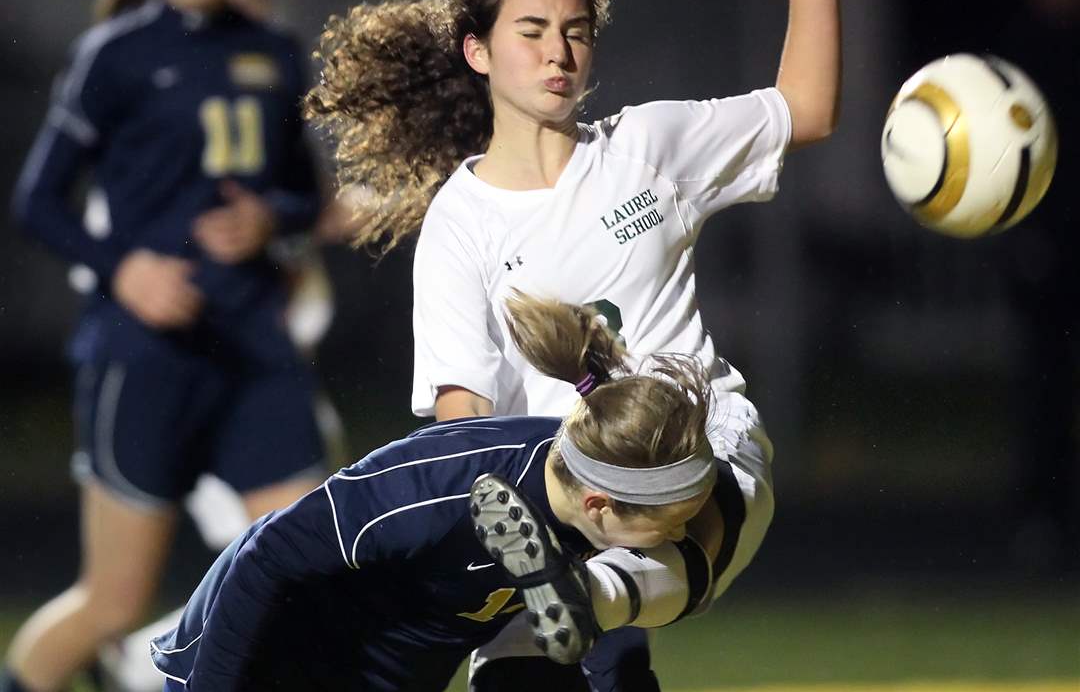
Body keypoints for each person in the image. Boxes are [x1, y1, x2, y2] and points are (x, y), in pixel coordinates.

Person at [304, 0, 840, 688]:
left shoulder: (649, 150)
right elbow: (463, 430)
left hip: (694, 445)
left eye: (575, 32)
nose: (557, 52)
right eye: (531, 32)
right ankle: (575, 594)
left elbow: (806, 109)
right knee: (529, 664)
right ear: (478, 52)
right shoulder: (461, 225)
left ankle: (591, 593)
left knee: (679, 506)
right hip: (556, 505)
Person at [150, 293, 772, 691]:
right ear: (599, 506)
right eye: (668, 518)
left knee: (683, 567)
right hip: (261, 656)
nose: (677, 528)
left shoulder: (589, 497)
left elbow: (610, 632)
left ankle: (595, 598)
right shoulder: (438, 488)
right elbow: (265, 561)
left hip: (387, 672)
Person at [3, 0, 328, 690]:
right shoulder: (116, 53)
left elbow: (305, 194)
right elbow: (39, 200)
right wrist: (125, 271)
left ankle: (146, 677)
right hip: (148, 356)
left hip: (253, 353)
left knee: (314, 582)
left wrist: (270, 217)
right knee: (113, 601)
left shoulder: (272, 50)